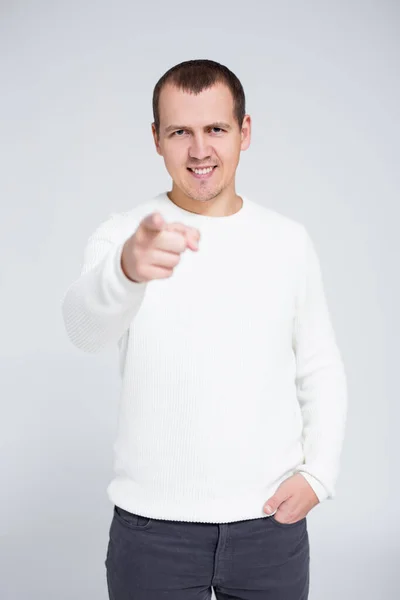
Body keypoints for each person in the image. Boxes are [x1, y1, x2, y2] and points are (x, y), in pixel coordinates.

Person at [61, 59, 348, 600]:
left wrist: (319, 475)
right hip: (152, 533)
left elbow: (320, 366)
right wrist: (125, 271)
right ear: (155, 139)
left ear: (244, 131)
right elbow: (83, 330)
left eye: (215, 129)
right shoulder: (126, 234)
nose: (199, 150)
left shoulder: (288, 241)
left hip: (270, 527)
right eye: (179, 132)